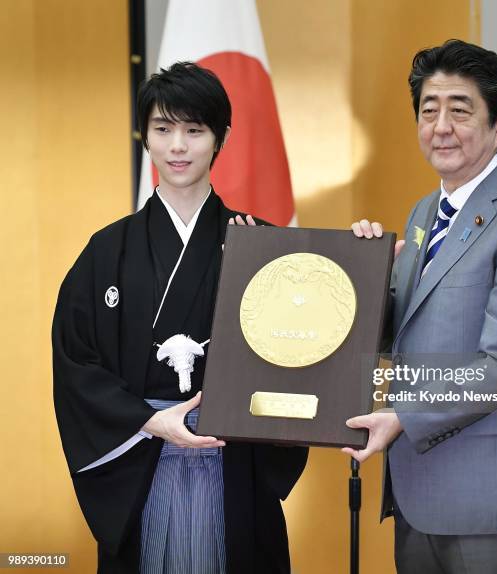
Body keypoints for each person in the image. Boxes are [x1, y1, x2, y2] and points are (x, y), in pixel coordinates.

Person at [53, 62, 307, 574]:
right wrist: (151, 420)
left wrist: (360, 261)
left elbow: (301, 347)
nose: (178, 146)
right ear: (144, 135)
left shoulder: (260, 244)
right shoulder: (107, 251)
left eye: (195, 131)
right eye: (163, 129)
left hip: (233, 468)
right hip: (141, 464)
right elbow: (75, 361)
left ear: (221, 139)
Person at [345, 40, 497, 573]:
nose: (440, 126)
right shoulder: (426, 211)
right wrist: (361, 276)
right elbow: (395, 334)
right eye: (428, 110)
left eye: (460, 109)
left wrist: (404, 416)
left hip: (492, 505)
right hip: (417, 499)